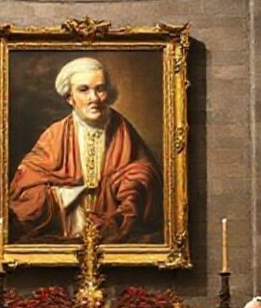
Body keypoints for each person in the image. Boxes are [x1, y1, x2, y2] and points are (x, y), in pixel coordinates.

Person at [8, 57, 162, 243]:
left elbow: (144, 173)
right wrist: (67, 195)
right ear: (70, 98)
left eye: (100, 89)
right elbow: (24, 187)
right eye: (83, 90)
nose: (94, 98)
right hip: (68, 228)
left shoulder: (122, 129)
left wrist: (130, 191)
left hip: (114, 229)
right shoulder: (54, 135)